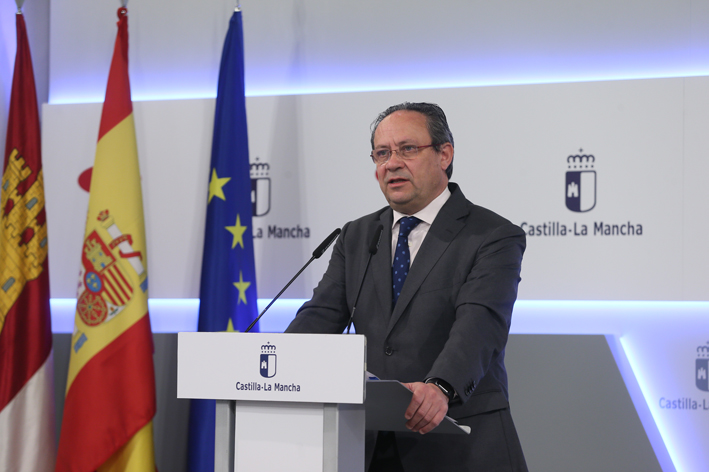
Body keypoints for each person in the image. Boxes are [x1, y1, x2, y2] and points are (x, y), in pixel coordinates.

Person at [286, 102, 528, 471]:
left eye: (407, 149)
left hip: (459, 443)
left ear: (444, 154)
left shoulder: (491, 235)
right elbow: (320, 316)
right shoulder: (358, 235)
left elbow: (480, 325)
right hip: (370, 446)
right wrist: (277, 362)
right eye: (382, 153)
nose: (392, 163)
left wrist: (440, 386)